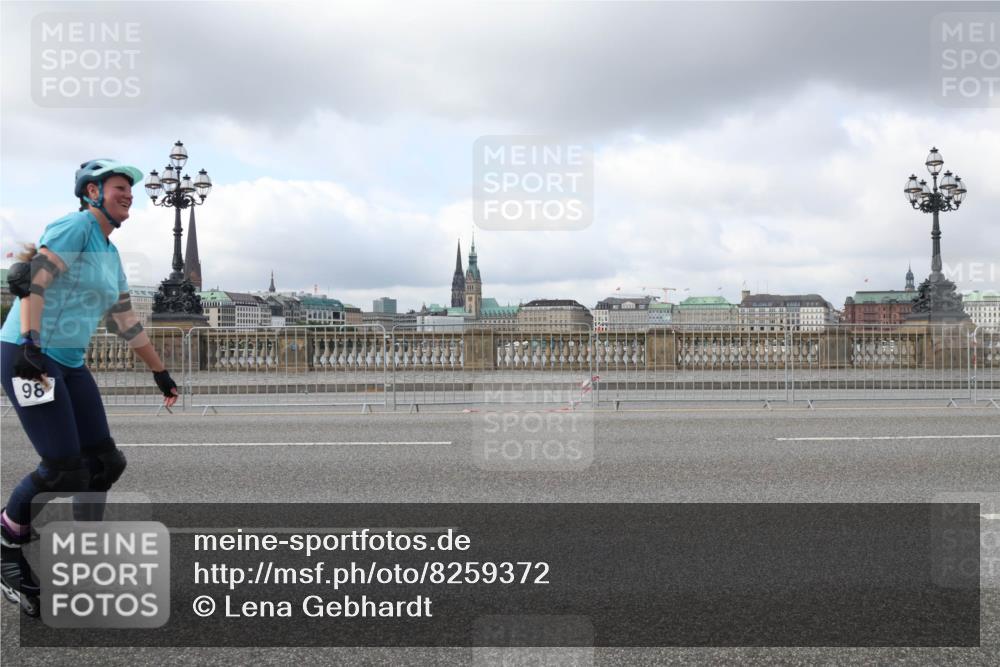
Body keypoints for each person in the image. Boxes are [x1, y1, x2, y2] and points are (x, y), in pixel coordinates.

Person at [0, 159, 180, 617]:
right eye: (120, 187)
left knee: (103, 462)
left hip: (70, 363)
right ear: (93, 192)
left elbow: (126, 321)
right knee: (62, 469)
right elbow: (32, 282)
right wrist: (30, 344)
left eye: (131, 191)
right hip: (29, 356)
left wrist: (159, 372)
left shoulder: (110, 254)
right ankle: (5, 544)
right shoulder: (77, 226)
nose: (129, 196)